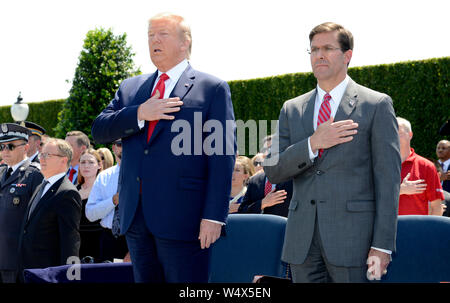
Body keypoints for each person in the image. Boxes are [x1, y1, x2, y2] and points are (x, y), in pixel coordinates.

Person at [91, 13, 236, 282]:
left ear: (185, 42)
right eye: (150, 35)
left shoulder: (212, 88)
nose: (154, 40)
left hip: (186, 220)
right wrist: (139, 112)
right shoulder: (131, 88)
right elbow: (99, 129)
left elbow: (222, 156)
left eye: (163, 34)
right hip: (136, 218)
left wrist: (215, 216)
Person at [263, 22, 401, 282]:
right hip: (301, 243)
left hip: (355, 243)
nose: (319, 55)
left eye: (328, 48)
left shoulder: (376, 104)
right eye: (314, 49)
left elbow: (388, 181)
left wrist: (382, 245)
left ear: (347, 56)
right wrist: (311, 144)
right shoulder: (292, 108)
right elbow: (273, 168)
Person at [18, 138, 82, 276]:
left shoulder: (67, 193)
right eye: (42, 154)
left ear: (63, 160)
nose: (42, 158)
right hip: (27, 270)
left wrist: (71, 276)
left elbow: (70, 241)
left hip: (47, 273)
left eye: (48, 155)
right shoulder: (41, 186)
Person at [0, 123, 43, 283]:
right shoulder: (1, 172)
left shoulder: (34, 175)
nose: (4, 151)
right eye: (2, 146)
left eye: (10, 146)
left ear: (25, 148)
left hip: (18, 260)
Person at [86, 140, 130, 262]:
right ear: (114, 148)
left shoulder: (144, 174)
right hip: (108, 239)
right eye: (121, 143)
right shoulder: (104, 176)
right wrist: (112, 201)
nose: (126, 145)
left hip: (135, 239)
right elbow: (90, 214)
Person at [397, 118, 444, 216]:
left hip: (416, 229)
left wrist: (432, 230)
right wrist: (400, 190)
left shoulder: (426, 166)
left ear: (410, 135)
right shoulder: (379, 165)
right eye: (390, 132)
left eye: (398, 132)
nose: (393, 136)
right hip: (385, 230)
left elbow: (436, 206)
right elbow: (371, 199)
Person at [77, 148, 103, 261]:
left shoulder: (104, 190)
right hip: (77, 245)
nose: (86, 166)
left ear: (99, 165)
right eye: (83, 162)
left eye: (91, 162)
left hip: (99, 244)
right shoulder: (73, 190)